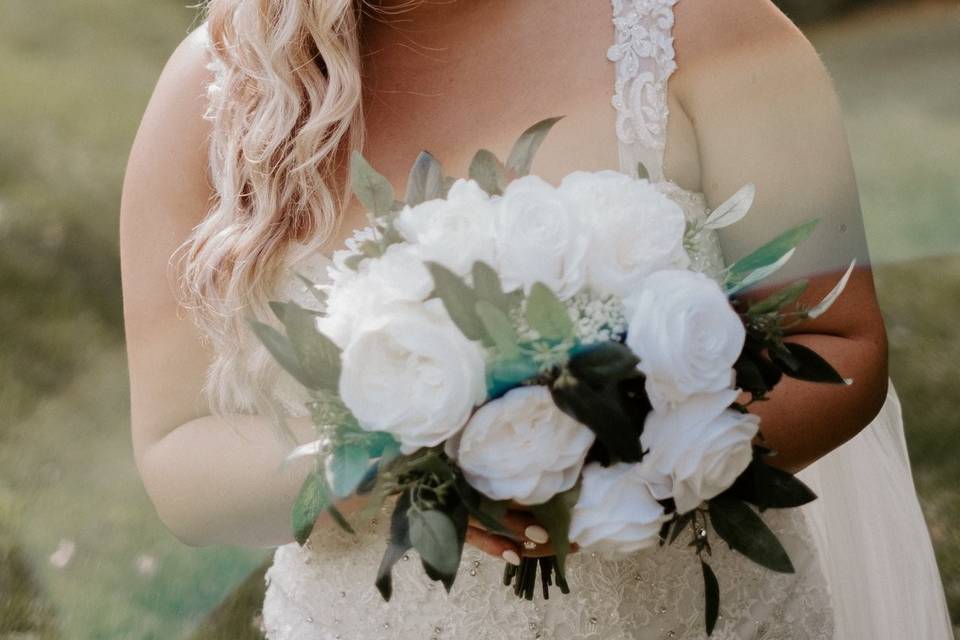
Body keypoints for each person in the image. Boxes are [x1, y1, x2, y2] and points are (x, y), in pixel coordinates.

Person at [119, 0, 952, 637]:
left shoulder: (705, 28)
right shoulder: (221, 88)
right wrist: (421, 460)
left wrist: (624, 476)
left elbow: (840, 345)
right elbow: (176, 457)